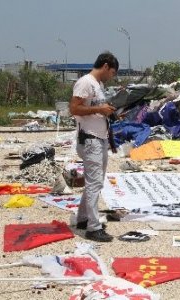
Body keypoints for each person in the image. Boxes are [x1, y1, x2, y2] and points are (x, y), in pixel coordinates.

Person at [69, 52, 118, 242]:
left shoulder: (99, 85)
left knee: (94, 181)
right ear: (105, 66)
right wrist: (99, 109)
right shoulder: (85, 82)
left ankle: (83, 219)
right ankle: (93, 228)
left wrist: (108, 111)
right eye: (112, 72)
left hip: (99, 138)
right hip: (90, 140)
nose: (112, 76)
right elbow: (74, 108)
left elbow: (97, 107)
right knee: (94, 182)